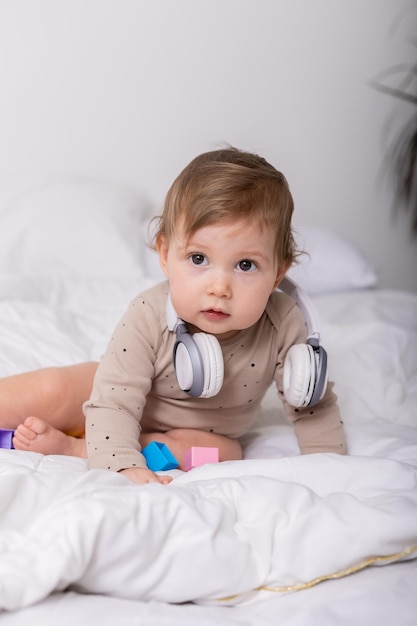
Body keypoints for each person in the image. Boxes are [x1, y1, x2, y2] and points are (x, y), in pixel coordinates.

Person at [4, 147, 346, 485]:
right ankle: (94, 442)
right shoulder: (149, 313)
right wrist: (119, 462)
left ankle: (75, 449)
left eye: (245, 265)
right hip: (114, 400)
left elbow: (309, 402)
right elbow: (115, 401)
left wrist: (331, 468)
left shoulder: (283, 322)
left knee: (221, 452)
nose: (219, 287)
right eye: (199, 259)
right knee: (54, 389)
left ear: (277, 273)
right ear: (166, 254)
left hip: (200, 432)